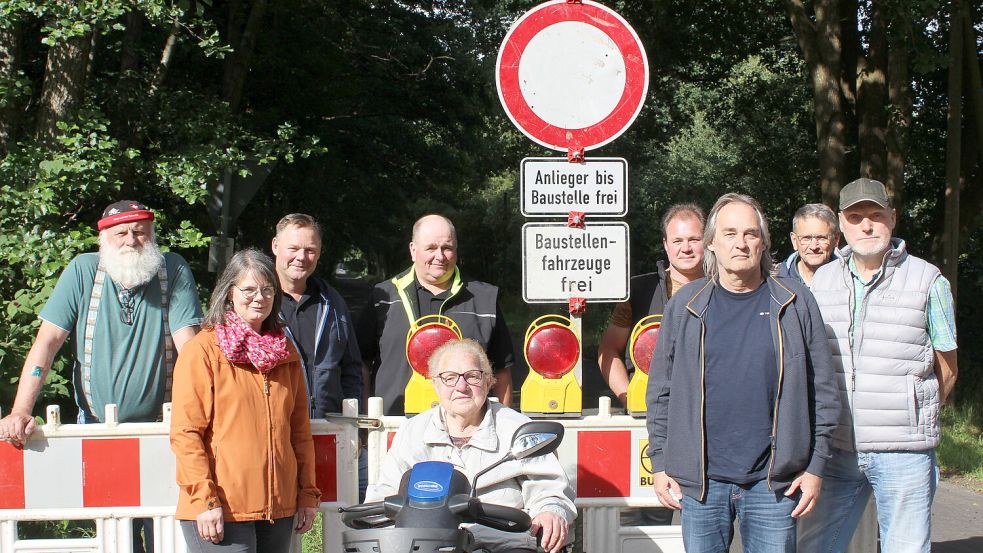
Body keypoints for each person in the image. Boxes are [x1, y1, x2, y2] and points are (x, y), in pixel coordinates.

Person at [0, 200, 202, 553]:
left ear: (152, 235)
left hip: (164, 428)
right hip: (97, 427)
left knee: (166, 532)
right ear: (103, 239)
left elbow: (191, 348)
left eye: (140, 231)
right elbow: (47, 343)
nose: (131, 240)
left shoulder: (173, 269)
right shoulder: (83, 271)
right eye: (121, 232)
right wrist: (21, 410)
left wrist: (208, 408)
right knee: (114, 534)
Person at [646, 193, 840, 553]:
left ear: (763, 242)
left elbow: (823, 392)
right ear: (712, 244)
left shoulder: (795, 303)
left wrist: (814, 467)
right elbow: (661, 391)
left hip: (774, 484)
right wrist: (659, 463)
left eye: (751, 234)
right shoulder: (684, 306)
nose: (740, 243)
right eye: (730, 233)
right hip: (702, 484)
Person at [800, 178, 958, 553]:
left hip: (904, 452)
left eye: (875, 215)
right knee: (815, 547)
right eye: (855, 217)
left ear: (893, 218)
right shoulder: (822, 281)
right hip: (837, 448)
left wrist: (917, 415)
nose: (866, 225)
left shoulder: (928, 280)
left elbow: (947, 366)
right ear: (841, 224)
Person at [170, 248, 320, 552]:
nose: (259, 298)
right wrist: (205, 499)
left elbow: (299, 434)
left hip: (278, 511)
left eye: (267, 290)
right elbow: (187, 434)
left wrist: (307, 495)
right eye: (249, 289)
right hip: (220, 510)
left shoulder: (285, 353)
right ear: (229, 293)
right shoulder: (203, 350)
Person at [366, 339, 575, 553]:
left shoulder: (518, 430)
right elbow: (385, 495)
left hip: (503, 544)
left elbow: (550, 490)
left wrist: (550, 511)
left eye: (472, 376)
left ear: (488, 381)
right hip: (430, 545)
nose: (461, 387)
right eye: (449, 378)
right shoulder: (412, 432)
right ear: (435, 385)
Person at [358, 214, 514, 415]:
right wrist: (364, 425)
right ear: (413, 251)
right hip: (394, 428)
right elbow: (360, 365)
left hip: (467, 430)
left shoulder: (485, 299)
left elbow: (502, 371)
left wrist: (503, 428)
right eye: (430, 248)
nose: (439, 256)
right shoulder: (383, 298)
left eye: (447, 248)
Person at [598, 203, 705, 407]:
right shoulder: (638, 291)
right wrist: (627, 397)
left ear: (708, 241)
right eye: (677, 241)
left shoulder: (723, 290)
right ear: (665, 244)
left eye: (694, 239)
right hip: (648, 411)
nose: (686, 248)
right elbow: (608, 349)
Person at [272, 213, 362, 416]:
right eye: (293, 249)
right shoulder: (257, 302)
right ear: (275, 246)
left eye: (310, 250)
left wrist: (354, 428)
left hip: (326, 428)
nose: (301, 257)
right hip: (276, 428)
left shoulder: (332, 302)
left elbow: (351, 370)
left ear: (319, 253)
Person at [778, 203, 840, 287]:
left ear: (836, 239)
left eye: (821, 238)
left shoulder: (850, 280)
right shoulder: (775, 281)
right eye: (806, 238)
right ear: (794, 240)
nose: (814, 247)